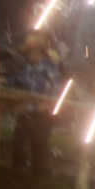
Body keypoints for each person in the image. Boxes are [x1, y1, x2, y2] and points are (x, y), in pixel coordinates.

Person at [10, 31, 60, 180]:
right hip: (26, 113)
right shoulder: (28, 67)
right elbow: (16, 80)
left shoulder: (49, 69)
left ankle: (37, 181)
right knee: (19, 145)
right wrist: (0, 80)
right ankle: (19, 178)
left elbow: (54, 95)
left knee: (38, 147)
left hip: (41, 116)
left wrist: (34, 107)